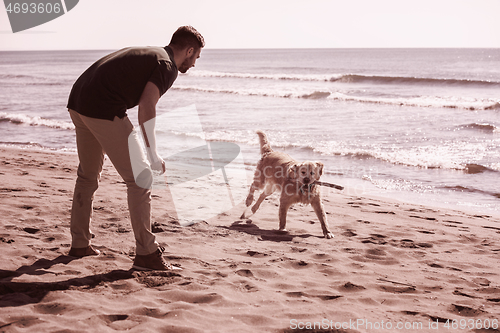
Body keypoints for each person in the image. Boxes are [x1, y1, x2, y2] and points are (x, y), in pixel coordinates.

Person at [66, 26, 204, 271]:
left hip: (78, 101)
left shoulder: (154, 54)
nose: (194, 63)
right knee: (141, 179)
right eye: (196, 57)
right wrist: (152, 154)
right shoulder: (167, 66)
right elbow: (147, 107)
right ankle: (147, 254)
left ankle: (79, 244)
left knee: (87, 176)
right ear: (189, 50)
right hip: (101, 107)